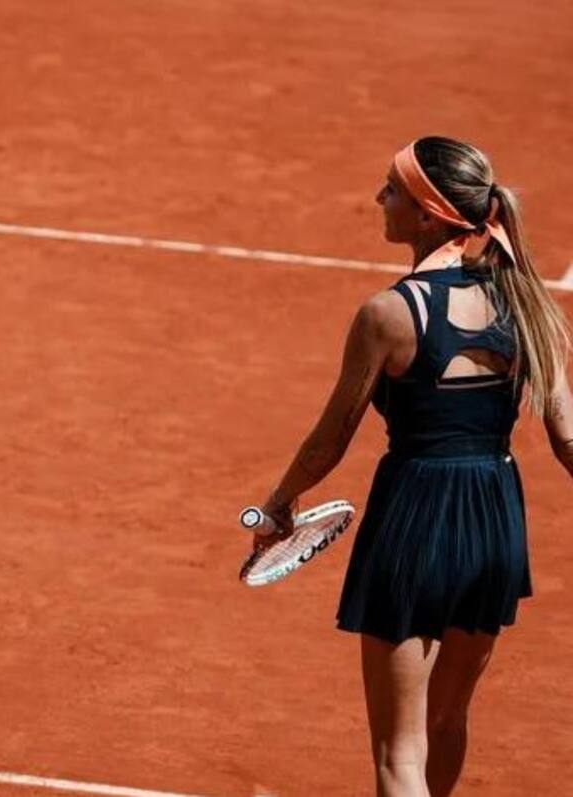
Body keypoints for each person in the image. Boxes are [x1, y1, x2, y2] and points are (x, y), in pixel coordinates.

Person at [254, 136, 572, 796]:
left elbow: (330, 439)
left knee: (399, 755)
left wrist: (279, 503)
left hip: (417, 521)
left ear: (427, 215)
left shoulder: (390, 314)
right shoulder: (528, 302)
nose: (379, 200)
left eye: (391, 190)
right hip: (494, 521)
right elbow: (569, 437)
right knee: (448, 717)